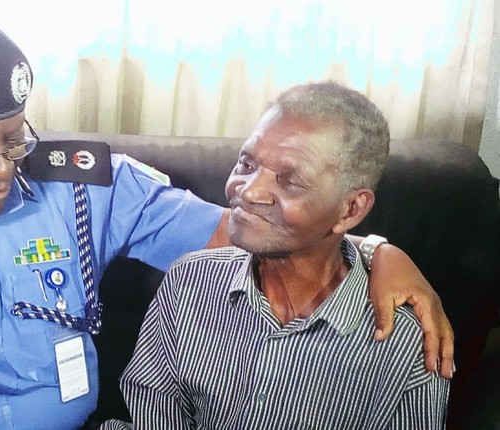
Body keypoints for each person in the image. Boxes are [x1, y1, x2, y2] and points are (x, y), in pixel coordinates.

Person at [0, 9, 452, 430]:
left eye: (15, 138)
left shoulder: (89, 187)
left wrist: (374, 247)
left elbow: (247, 233)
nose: (6, 169)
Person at [104, 81, 451, 430]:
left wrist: (381, 249)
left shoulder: (410, 342)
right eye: (246, 163)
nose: (248, 190)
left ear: (350, 210)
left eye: (289, 181)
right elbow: (155, 412)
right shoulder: (188, 282)